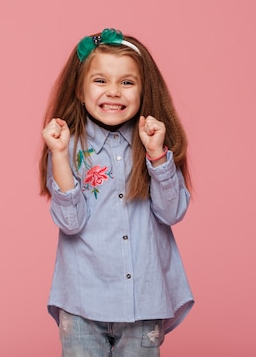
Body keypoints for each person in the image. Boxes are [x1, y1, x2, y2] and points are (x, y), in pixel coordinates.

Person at [39, 28, 193, 356]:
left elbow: (172, 212)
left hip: (143, 301)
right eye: (100, 81)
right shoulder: (69, 144)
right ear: (79, 91)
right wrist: (59, 156)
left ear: (142, 90)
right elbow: (70, 222)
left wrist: (156, 155)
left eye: (126, 82)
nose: (114, 92)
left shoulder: (153, 141)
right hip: (82, 302)